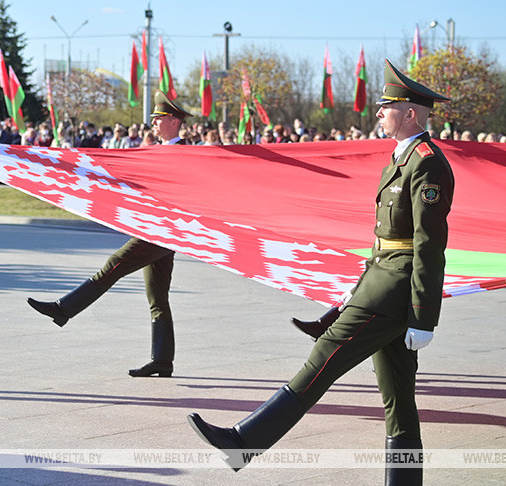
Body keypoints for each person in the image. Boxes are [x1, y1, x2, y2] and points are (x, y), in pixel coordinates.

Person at [188, 60, 454, 485]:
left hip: (395, 290)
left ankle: (244, 442)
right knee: (399, 398)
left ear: (410, 114)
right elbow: (383, 241)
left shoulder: (427, 164)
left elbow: (428, 245)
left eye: (388, 106)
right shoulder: (399, 161)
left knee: (323, 357)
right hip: (381, 283)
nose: (379, 112)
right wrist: (356, 289)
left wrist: (424, 316)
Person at [26, 90, 191, 378]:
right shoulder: (156, 150)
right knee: (157, 295)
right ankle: (162, 360)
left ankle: (64, 309)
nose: (152, 122)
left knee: (114, 264)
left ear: (174, 122)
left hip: (164, 230)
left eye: (158, 118)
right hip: (154, 226)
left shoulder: (187, 153)